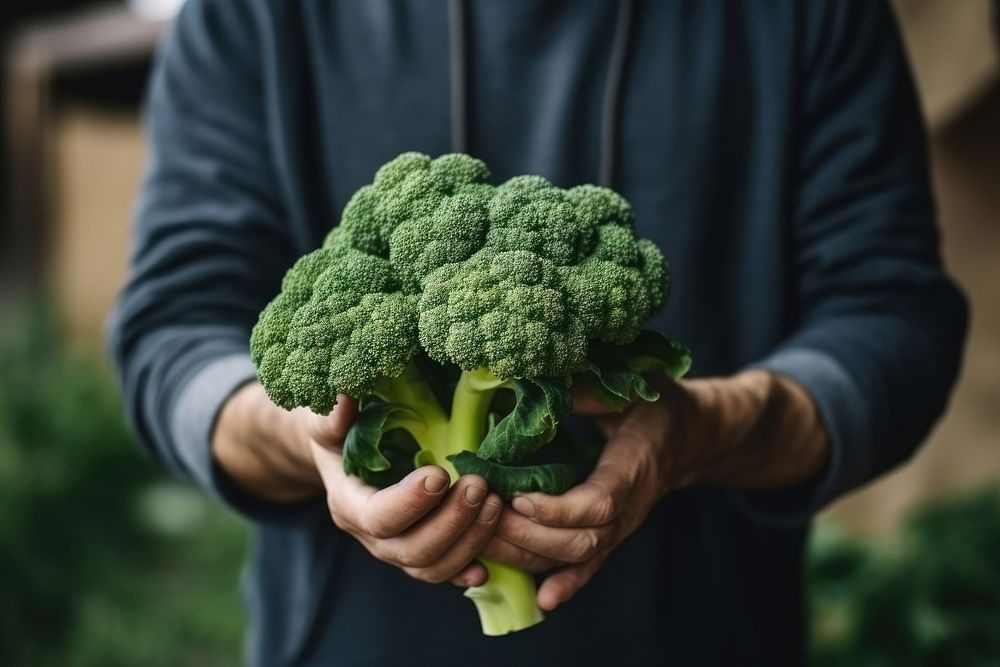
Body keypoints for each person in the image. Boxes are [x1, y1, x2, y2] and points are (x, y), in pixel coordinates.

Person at [109, 1, 968, 664]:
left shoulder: (810, 15)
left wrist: (708, 430)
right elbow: (172, 335)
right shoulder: (253, 16)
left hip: (710, 633)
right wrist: (310, 438)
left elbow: (893, 321)